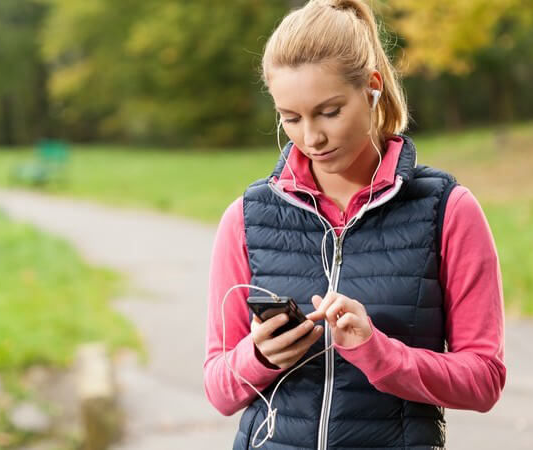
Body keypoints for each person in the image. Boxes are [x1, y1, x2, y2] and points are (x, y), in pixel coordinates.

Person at [203, 1, 506, 449]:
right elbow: (218, 388)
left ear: (372, 88)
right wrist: (258, 357)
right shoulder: (246, 219)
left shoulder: (448, 210)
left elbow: (484, 380)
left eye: (329, 111)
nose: (311, 137)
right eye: (290, 118)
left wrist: (377, 353)